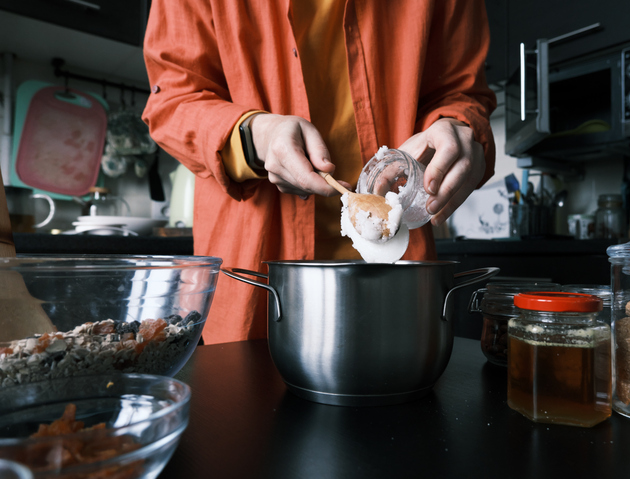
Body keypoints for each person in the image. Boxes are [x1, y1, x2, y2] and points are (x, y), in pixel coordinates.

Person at [142, 0, 497, 344]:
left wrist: (459, 126)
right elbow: (172, 101)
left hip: (401, 285)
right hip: (256, 280)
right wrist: (257, 137)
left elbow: (462, 92)